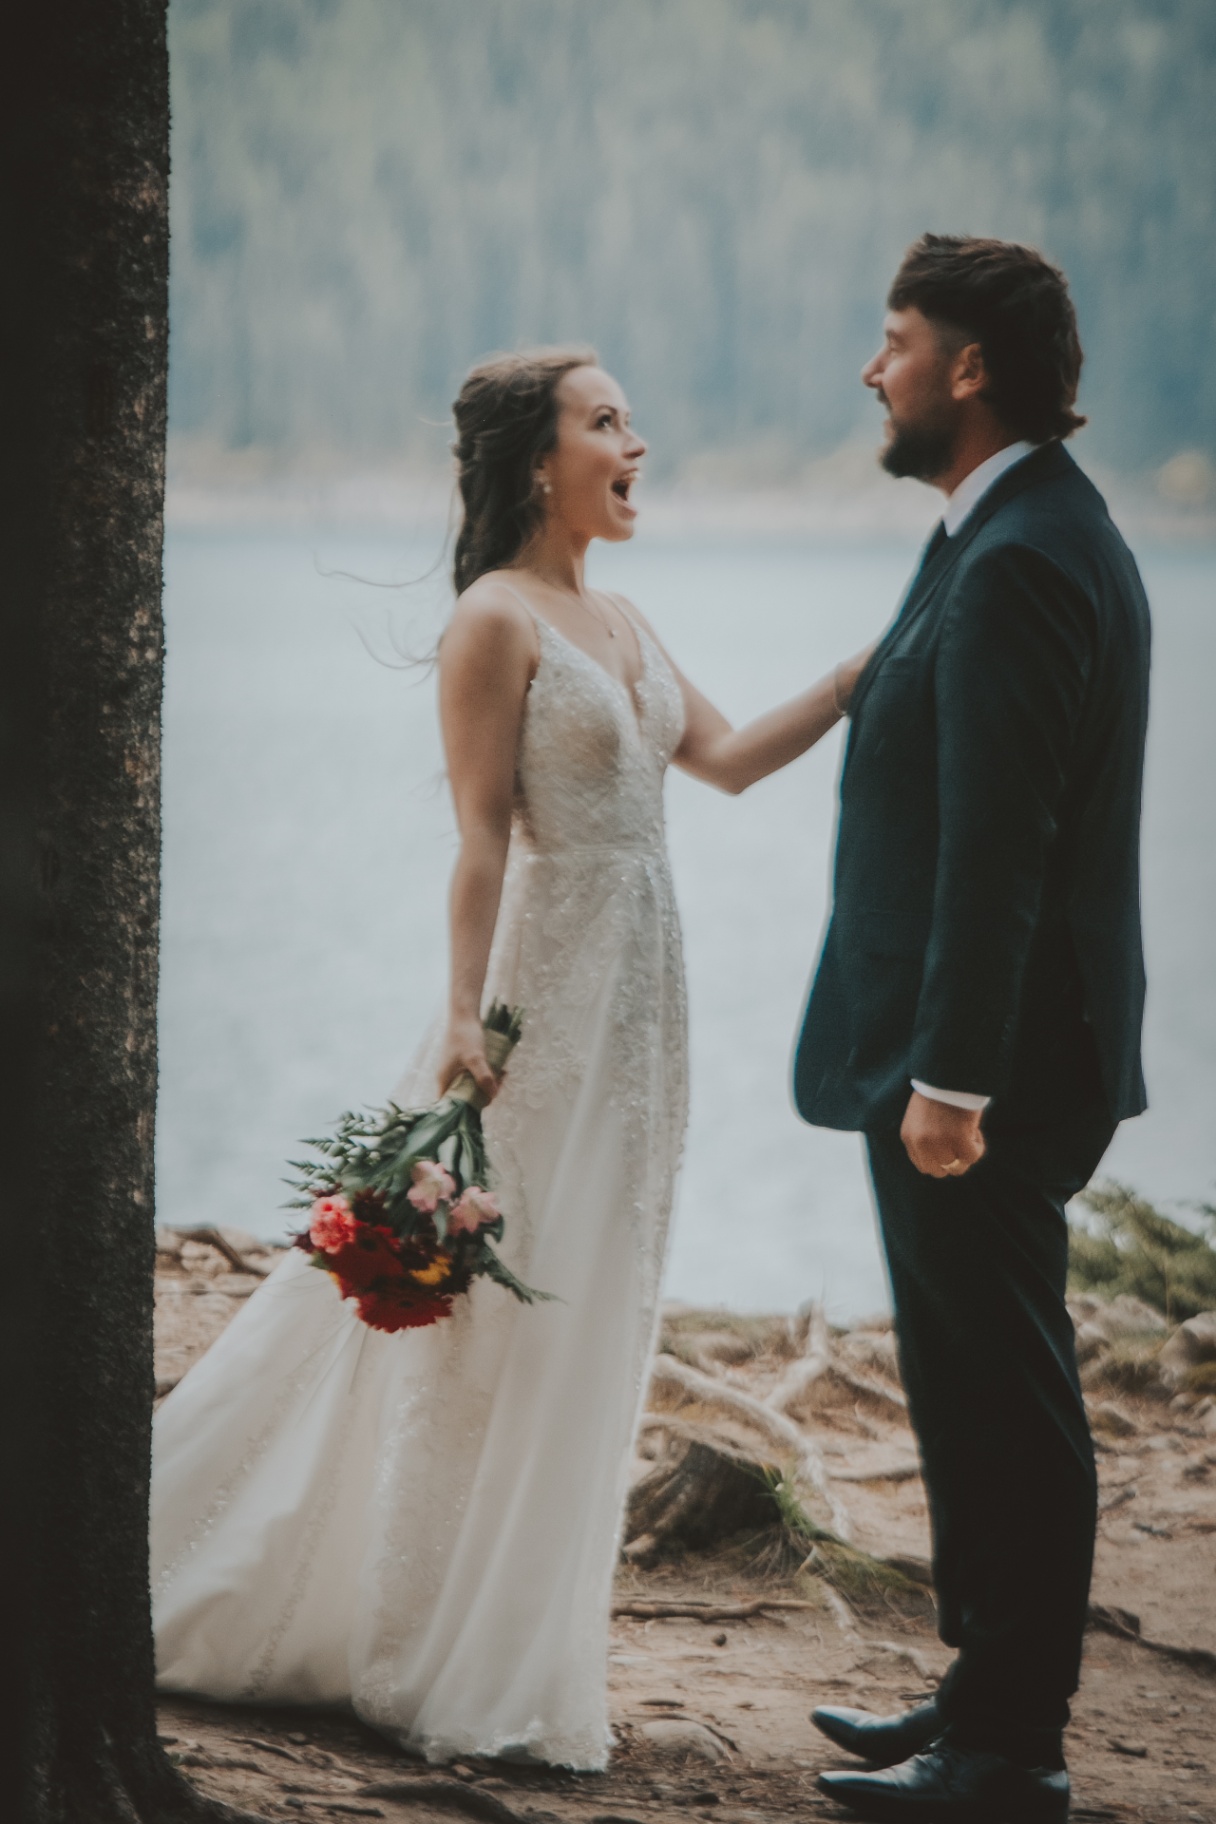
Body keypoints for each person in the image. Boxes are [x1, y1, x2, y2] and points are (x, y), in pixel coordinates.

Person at [150, 345, 872, 1769]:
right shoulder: (493, 619)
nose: (637, 445)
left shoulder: (627, 618)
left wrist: (865, 673)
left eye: (632, 420)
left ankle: (525, 1639)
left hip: (644, 1009)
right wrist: (462, 1014)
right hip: (539, 1004)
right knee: (491, 1312)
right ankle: (426, 1639)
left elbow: (728, 761)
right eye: (608, 423)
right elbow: (482, 838)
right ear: (540, 464)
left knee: (592, 1303)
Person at [795, 236, 1151, 1821]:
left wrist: (954, 1077)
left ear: (971, 367)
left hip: (985, 1070)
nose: (875, 370)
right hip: (964, 1056)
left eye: (896, 341)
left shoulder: (1023, 555)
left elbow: (1003, 844)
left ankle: (1011, 1749)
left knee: (1006, 1389)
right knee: (962, 1379)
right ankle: (981, 1687)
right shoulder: (1001, 529)